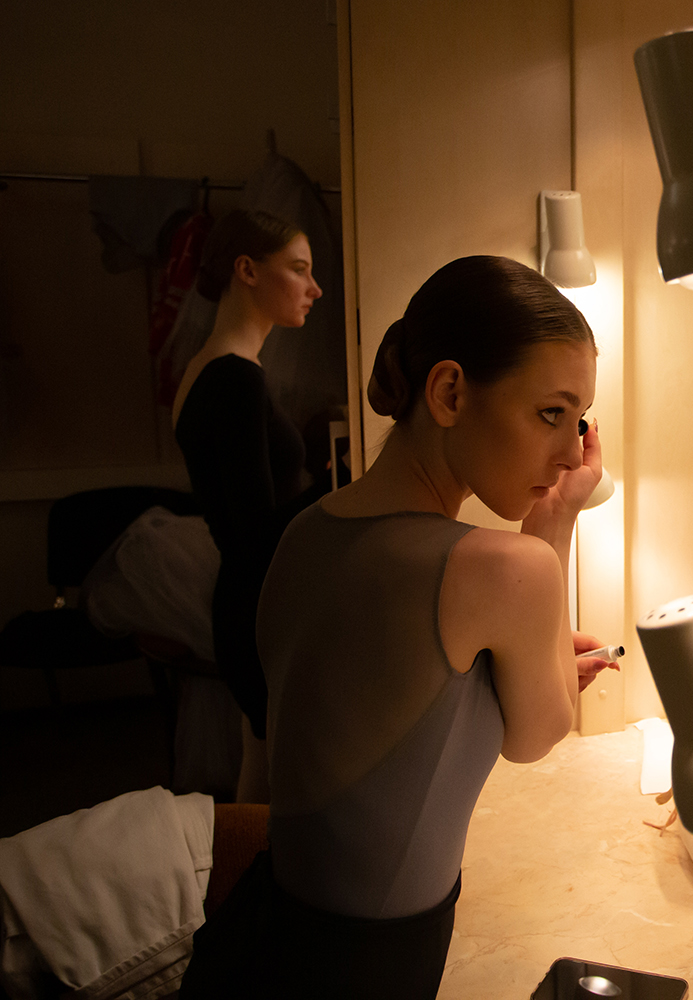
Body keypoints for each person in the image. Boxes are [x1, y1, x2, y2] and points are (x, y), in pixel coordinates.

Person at [179, 256, 613, 999]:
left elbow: (381, 700)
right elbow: (537, 735)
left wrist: (511, 672)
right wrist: (555, 518)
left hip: (258, 938)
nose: (574, 451)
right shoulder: (505, 570)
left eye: (579, 422)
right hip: (363, 972)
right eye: (551, 414)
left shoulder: (303, 533)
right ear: (449, 393)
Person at [173, 209, 323, 803]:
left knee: (260, 779)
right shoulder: (234, 379)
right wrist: (341, 489)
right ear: (247, 270)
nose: (315, 288)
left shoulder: (213, 368)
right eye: (299, 269)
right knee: (272, 789)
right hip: (257, 606)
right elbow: (257, 533)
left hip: (248, 602)